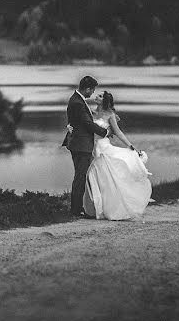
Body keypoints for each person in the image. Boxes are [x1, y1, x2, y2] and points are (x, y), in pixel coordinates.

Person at [82, 91, 153, 220]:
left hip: (103, 148)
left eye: (100, 96)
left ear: (105, 101)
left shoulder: (110, 115)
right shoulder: (90, 112)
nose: (96, 97)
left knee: (106, 180)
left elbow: (118, 132)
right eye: (97, 95)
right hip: (91, 148)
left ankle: (110, 208)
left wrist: (131, 146)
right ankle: (95, 208)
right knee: (94, 179)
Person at [61, 75, 109, 217]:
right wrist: (104, 132)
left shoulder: (77, 100)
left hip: (79, 143)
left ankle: (78, 207)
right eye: (92, 90)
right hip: (80, 145)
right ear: (87, 88)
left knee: (81, 175)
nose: (92, 93)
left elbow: (76, 121)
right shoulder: (77, 102)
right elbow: (87, 124)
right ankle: (76, 209)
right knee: (80, 176)